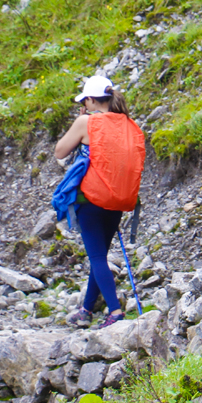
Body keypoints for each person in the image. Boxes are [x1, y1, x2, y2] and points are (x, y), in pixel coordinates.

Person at [55, 75, 146, 328]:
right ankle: (86, 310)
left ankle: (115, 312)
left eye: (85, 100)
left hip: (92, 200)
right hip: (118, 201)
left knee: (96, 257)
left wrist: (83, 117)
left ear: (91, 100)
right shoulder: (129, 124)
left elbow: (60, 151)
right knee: (100, 255)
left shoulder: (86, 122)